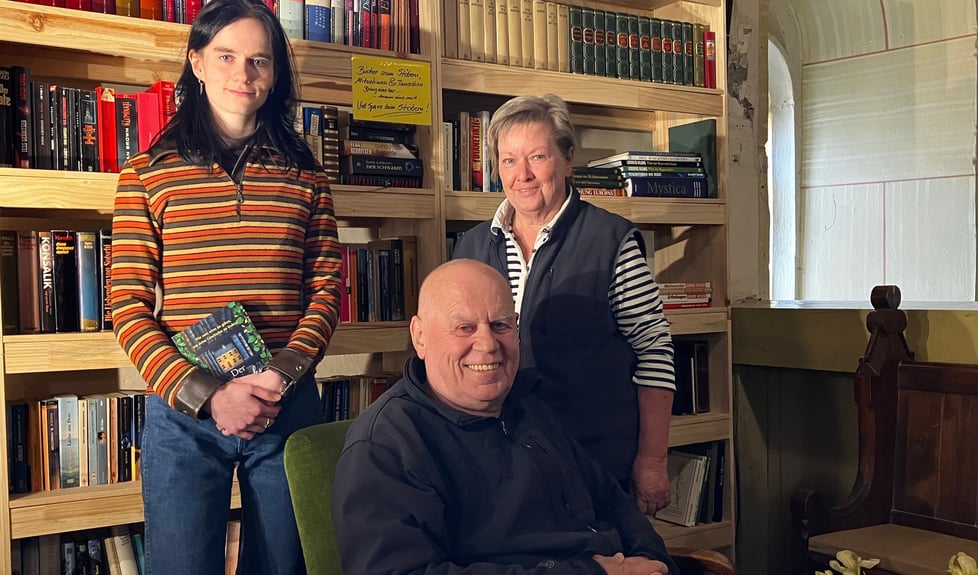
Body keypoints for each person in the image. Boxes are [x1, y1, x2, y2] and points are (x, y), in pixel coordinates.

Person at [110, 0, 343, 572]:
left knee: (287, 566)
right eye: (226, 56)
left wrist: (280, 375)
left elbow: (327, 290)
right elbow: (128, 306)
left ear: (275, 74)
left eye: (260, 60)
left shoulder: (307, 176)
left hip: (284, 404)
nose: (243, 73)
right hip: (184, 414)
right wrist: (209, 394)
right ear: (197, 62)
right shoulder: (145, 174)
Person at [332, 259, 678, 575]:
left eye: (500, 324)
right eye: (464, 327)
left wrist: (653, 561)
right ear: (420, 336)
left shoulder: (529, 406)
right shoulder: (386, 446)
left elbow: (613, 502)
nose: (488, 344)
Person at [453, 94, 676, 514]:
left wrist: (652, 461)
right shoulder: (471, 247)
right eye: (509, 160)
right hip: (497, 463)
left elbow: (654, 351)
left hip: (591, 464)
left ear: (568, 160)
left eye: (537, 157)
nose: (523, 175)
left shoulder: (611, 241)